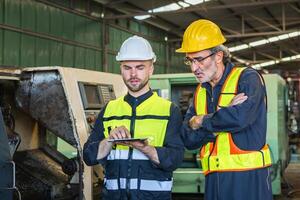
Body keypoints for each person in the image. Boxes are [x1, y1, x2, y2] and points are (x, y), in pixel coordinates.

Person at [177, 19, 273, 200]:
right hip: (214, 182)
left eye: (199, 59)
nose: (194, 68)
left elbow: (239, 118)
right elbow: (188, 139)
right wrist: (221, 118)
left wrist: (200, 121)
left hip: (249, 179)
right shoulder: (200, 93)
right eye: (189, 60)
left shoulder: (247, 78)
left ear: (218, 56)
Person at [83, 35, 184, 200]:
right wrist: (108, 141)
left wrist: (144, 148)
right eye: (127, 67)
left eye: (140, 67)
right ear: (121, 69)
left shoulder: (169, 111)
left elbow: (174, 159)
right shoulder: (109, 109)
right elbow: (88, 156)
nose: (133, 74)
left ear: (151, 69)